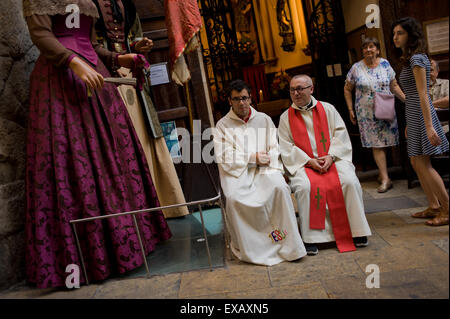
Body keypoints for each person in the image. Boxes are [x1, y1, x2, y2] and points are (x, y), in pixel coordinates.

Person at [23, 0, 172, 288]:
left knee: (112, 160)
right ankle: (88, 259)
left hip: (95, 75)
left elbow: (89, 42)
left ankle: (125, 245)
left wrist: (120, 59)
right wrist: (73, 62)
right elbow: (41, 35)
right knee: (75, 165)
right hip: (62, 81)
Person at [92, 0, 189, 219]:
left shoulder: (127, 4)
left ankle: (165, 203)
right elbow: (88, 44)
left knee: (146, 137)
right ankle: (138, 212)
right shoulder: (88, 5)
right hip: (106, 79)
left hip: (133, 78)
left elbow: (132, 36)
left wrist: (138, 45)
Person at [213, 79, 306, 265]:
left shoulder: (263, 119)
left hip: (265, 169)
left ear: (251, 98)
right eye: (237, 99)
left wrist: (266, 159)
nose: (242, 103)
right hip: (239, 173)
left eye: (245, 98)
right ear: (229, 101)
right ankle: (258, 247)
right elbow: (224, 156)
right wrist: (251, 158)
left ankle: (287, 244)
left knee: (279, 188)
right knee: (234, 198)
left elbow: (274, 146)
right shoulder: (222, 126)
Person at [278, 75, 372, 255]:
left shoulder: (328, 109)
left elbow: (340, 134)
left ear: (311, 89)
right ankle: (312, 238)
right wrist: (308, 161)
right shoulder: (285, 118)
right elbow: (286, 146)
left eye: (300, 88)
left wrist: (330, 156)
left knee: (349, 181)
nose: (296, 93)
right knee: (305, 187)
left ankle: (356, 232)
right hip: (304, 164)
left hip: (333, 159)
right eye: (292, 90)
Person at [392, 17, 449, 226]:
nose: (395, 37)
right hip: (415, 115)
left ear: (411, 35)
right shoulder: (411, 59)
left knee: (424, 163)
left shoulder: (417, 59)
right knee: (416, 161)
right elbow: (414, 97)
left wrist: (428, 126)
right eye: (394, 33)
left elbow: (423, 95)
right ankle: (434, 206)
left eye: (400, 33)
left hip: (422, 116)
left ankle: (447, 209)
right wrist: (411, 122)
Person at [344, 37, 406, 193]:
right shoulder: (356, 68)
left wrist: (407, 100)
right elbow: (347, 89)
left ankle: (384, 173)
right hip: (366, 113)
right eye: (365, 47)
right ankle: (385, 178)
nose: (368, 50)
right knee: (376, 144)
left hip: (385, 108)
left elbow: (394, 85)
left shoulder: (385, 64)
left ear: (377, 49)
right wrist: (350, 109)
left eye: (371, 47)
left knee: (387, 142)